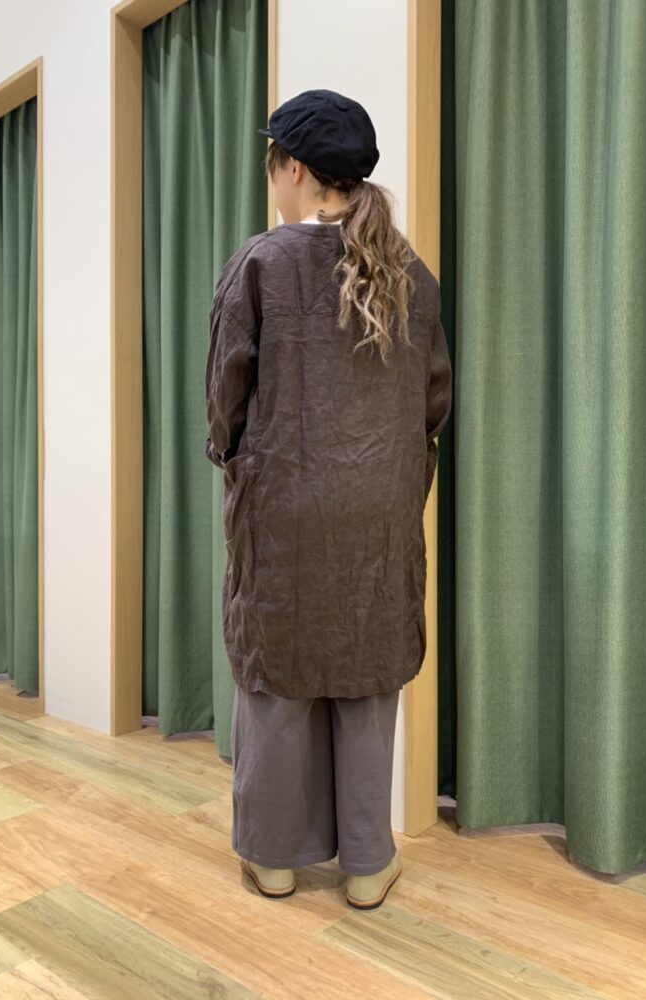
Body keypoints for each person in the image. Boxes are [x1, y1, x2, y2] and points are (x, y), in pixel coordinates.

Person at [204, 89, 453, 910]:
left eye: (272, 167)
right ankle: (368, 865)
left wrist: (236, 461)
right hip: (379, 510)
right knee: (366, 668)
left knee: (277, 668)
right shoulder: (412, 276)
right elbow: (433, 404)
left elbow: (226, 398)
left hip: (283, 505)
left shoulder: (261, 263)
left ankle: (274, 860)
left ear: (295, 170)